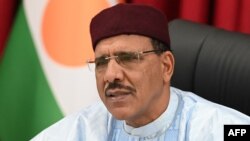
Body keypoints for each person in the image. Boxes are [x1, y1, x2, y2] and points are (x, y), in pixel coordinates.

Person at [31, 3, 250, 141]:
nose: (110, 75)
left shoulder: (221, 129)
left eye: (127, 58)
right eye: (101, 62)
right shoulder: (83, 129)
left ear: (166, 67)